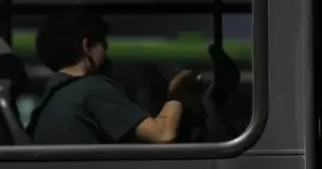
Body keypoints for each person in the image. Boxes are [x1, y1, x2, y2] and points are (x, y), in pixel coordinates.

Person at [28, 9, 198, 145]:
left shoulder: (51, 97)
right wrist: (176, 94)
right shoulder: (93, 90)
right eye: (104, 46)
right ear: (87, 46)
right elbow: (163, 135)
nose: (107, 56)